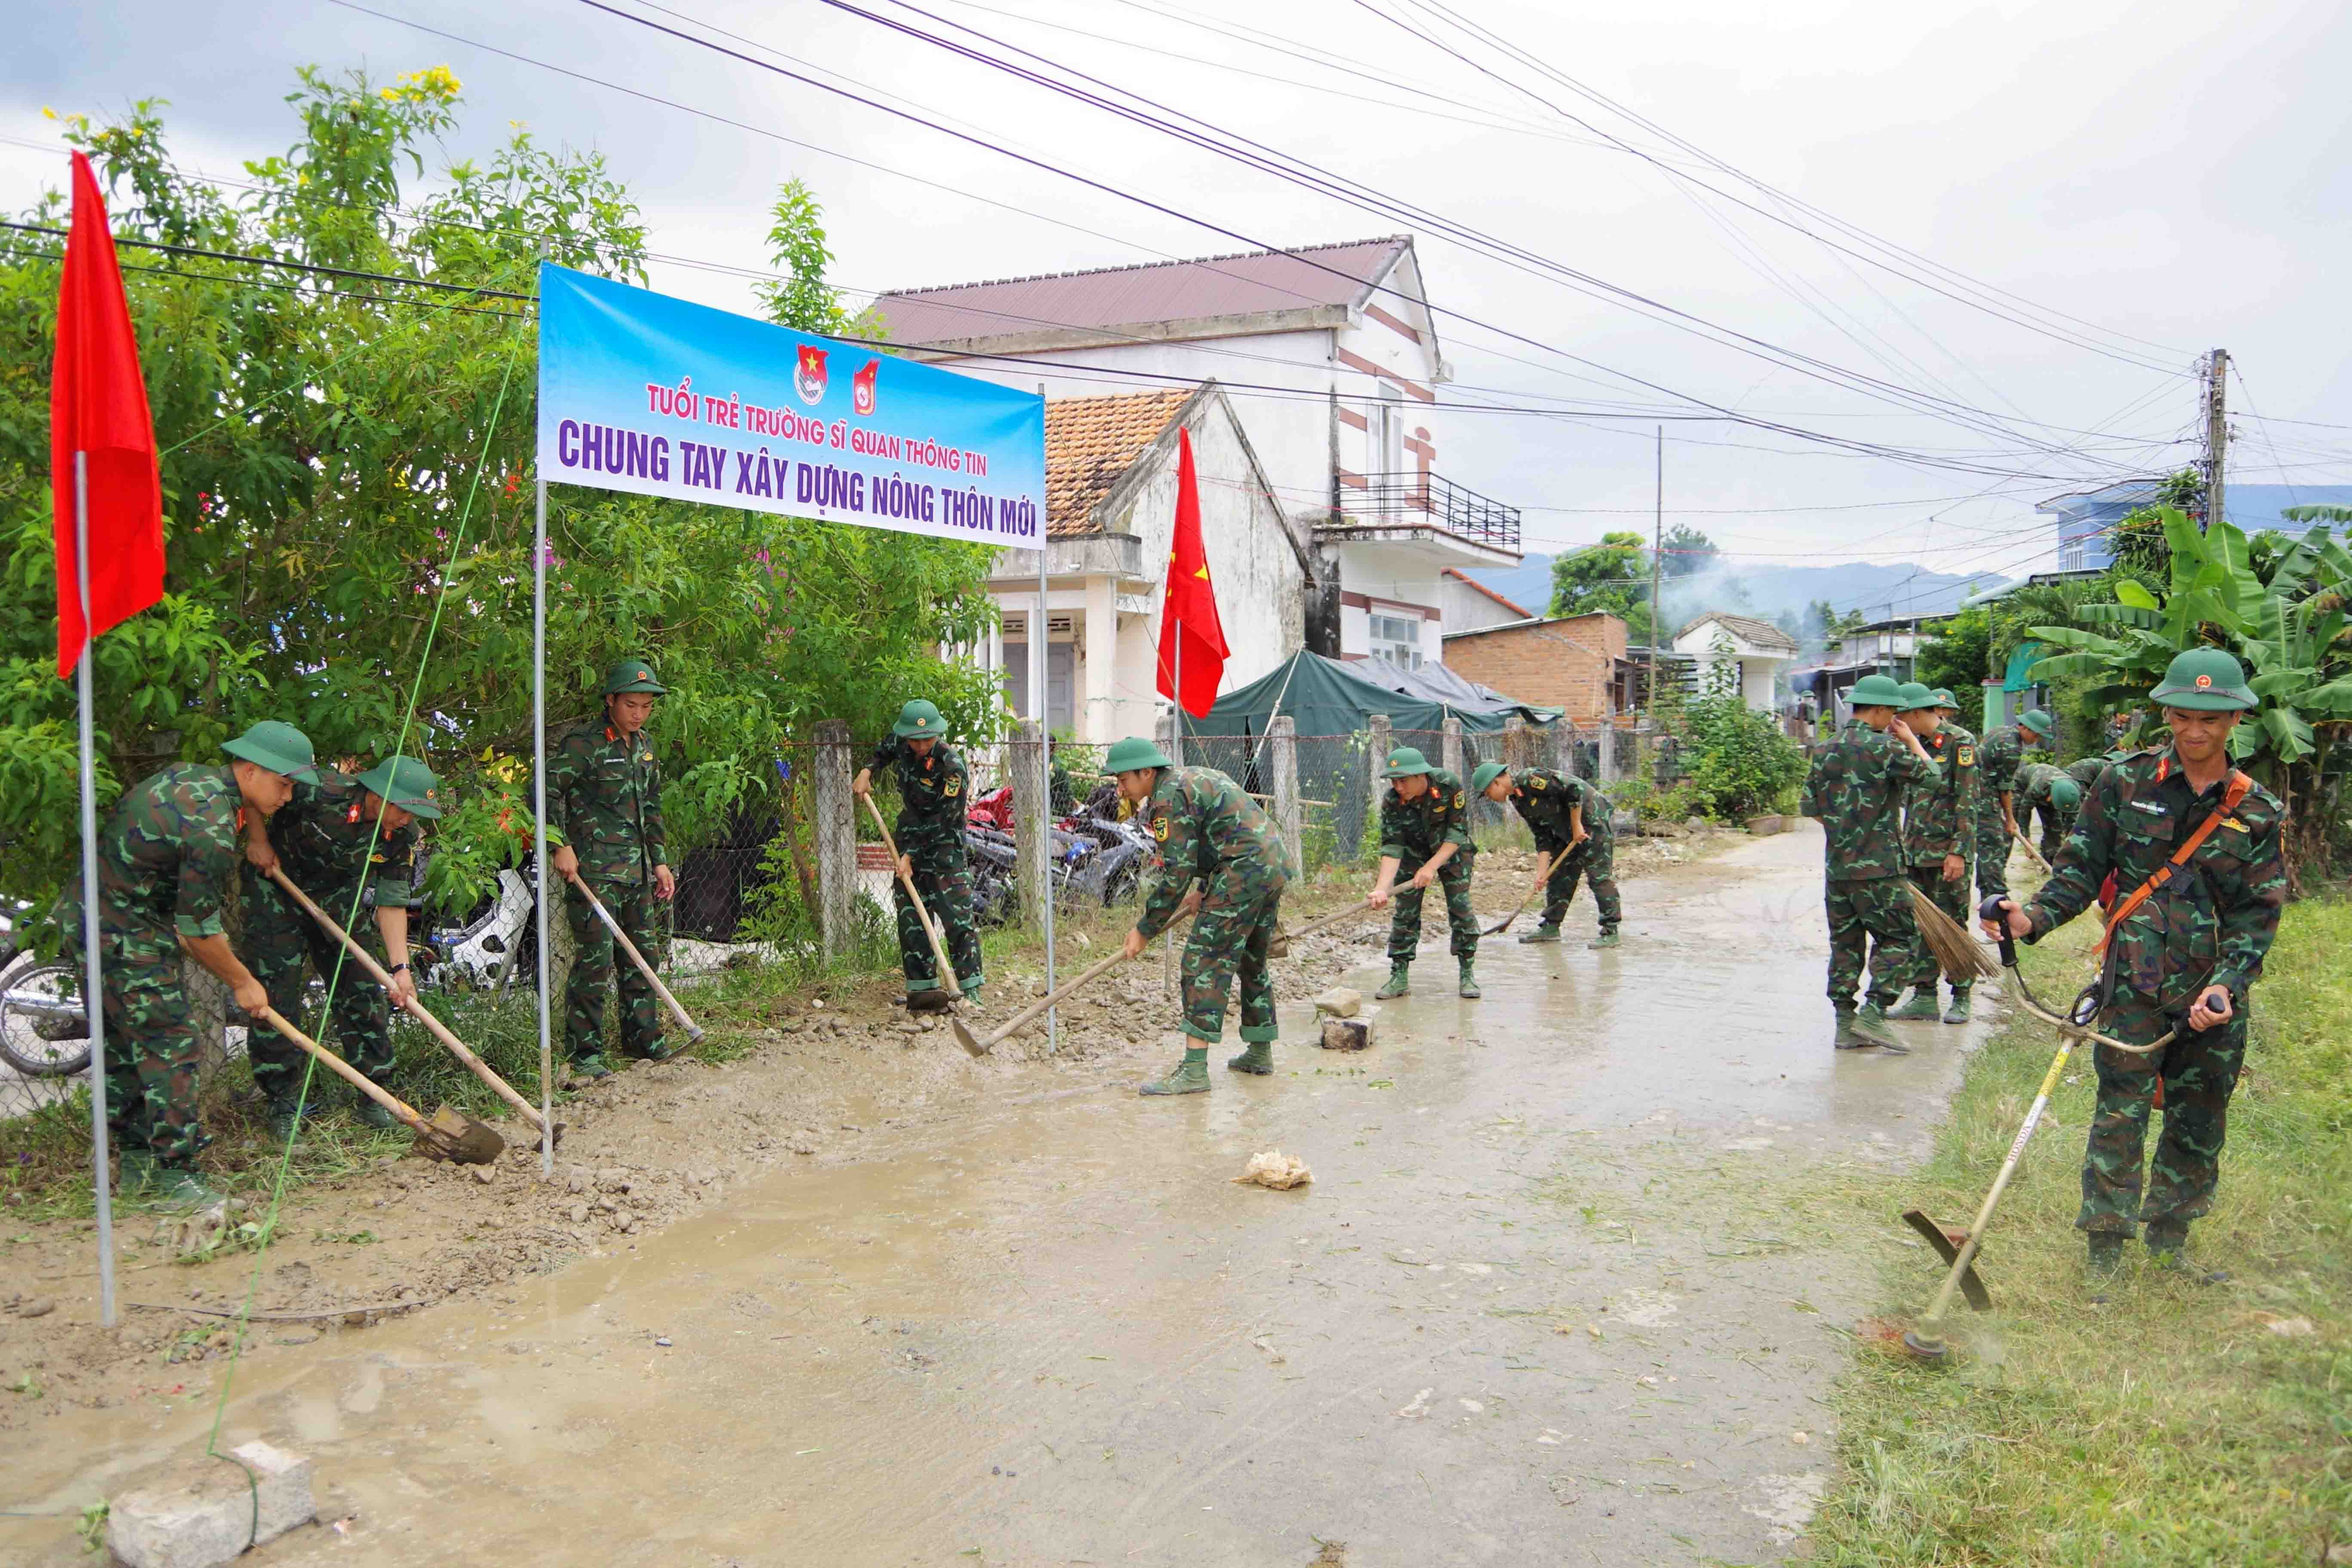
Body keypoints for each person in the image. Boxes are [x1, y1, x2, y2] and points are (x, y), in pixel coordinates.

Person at [1984, 650, 2285, 1280]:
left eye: (2211, 718)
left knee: (2199, 1118)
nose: (2195, 731)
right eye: (2183, 715)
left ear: (2235, 721)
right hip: (2134, 984)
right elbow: (2078, 869)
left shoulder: (2258, 812)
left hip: (2213, 994)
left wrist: (2229, 986)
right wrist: (2030, 920)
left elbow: (2259, 914)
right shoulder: (2124, 783)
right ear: (2166, 714)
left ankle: (2170, 1242)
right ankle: (2106, 1249)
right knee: (2119, 1112)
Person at [74, 722, 322, 1206]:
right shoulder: (209, 825)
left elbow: (247, 805)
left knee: (127, 1047)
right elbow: (197, 934)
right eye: (285, 784)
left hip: (92, 920)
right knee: (172, 1045)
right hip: (126, 932)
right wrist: (244, 982)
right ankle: (177, 1177)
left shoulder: (196, 781)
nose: (289, 797)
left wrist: (257, 834)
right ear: (251, 771)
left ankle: (138, 1168)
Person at [240, 755, 444, 1136]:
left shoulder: (399, 836)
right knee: (277, 997)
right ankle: (283, 1101)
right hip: (276, 893)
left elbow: (392, 900)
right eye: (405, 809)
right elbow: (254, 793)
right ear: (382, 796)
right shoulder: (319, 790)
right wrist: (258, 839)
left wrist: (400, 971)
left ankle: (375, 1097)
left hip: (336, 902)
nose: (408, 820)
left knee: (364, 989)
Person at [1105, 737, 1289, 1096]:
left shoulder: (1166, 799)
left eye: (1124, 779)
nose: (1120, 787)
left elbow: (1177, 871)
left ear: (1147, 772)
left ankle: (1193, 1072)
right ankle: (1260, 1049)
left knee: (1202, 963)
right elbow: (1218, 832)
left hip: (1242, 872)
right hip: (1270, 864)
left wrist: (1145, 929)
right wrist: (1205, 889)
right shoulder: (1187, 779)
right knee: (1251, 959)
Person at [548, 658, 678, 1079]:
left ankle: (643, 1038)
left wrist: (659, 861)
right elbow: (544, 793)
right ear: (611, 701)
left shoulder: (646, 747)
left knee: (643, 958)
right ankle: (585, 1053)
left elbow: (653, 809)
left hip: (637, 874)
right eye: (631, 706)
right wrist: (559, 844)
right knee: (597, 961)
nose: (639, 714)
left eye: (646, 706)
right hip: (595, 874)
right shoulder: (584, 745)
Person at [1798, 673, 1940, 1051]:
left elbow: (1810, 809)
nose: (1894, 719)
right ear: (1878, 710)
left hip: (1838, 869)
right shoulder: (1885, 749)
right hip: (1880, 869)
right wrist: (1911, 740)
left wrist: (1846, 827)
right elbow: (1933, 778)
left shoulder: (1824, 749)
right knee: (1900, 937)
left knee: (1845, 945)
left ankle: (1845, 1025)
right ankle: (1875, 1013)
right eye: (1892, 713)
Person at [853, 699, 982, 1011]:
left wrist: (911, 855)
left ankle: (970, 990)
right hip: (908, 837)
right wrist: (867, 770)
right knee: (912, 917)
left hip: (944, 848)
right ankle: (923, 991)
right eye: (915, 739)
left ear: (937, 734)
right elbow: (885, 748)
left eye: (928, 738)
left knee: (956, 919)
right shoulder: (904, 744)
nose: (921, 744)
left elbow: (944, 819)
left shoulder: (952, 768)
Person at [1890, 683, 1978, 1023]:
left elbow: (1968, 801)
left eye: (1901, 716)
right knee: (1920, 925)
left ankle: (1962, 993)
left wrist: (1958, 852)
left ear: (1915, 713)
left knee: (1953, 922)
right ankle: (1924, 995)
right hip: (1914, 850)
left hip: (1947, 852)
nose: (1897, 722)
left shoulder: (1960, 742)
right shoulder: (1910, 745)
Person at [1367, 747, 1480, 999]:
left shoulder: (1449, 785)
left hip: (1452, 852)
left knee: (1460, 909)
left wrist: (1431, 867)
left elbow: (1457, 833)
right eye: (1394, 781)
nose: (1398, 787)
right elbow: (1392, 847)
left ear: (1421, 776)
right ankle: (1399, 975)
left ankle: (1467, 972)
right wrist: (1382, 888)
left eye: (1403, 780)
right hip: (1413, 852)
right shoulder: (1392, 802)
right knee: (1405, 913)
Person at [1470, 760, 1620, 949]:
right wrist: (1540, 873)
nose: (1489, 798)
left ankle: (1611, 930)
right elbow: (1542, 836)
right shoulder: (1518, 800)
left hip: (1591, 820)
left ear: (1496, 783)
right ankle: (1551, 926)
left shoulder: (1530, 778)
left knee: (1598, 876)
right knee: (1559, 876)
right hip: (1564, 829)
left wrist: (1576, 825)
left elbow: (1573, 791)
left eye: (1487, 793)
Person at [1973, 708, 2053, 899]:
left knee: (1987, 844)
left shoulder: (2000, 731)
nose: (2037, 740)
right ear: (2026, 728)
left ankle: (1987, 889)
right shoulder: (2011, 748)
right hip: (1984, 798)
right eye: (2036, 735)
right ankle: (1994, 894)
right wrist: (2010, 819)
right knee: (1992, 845)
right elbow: (2005, 788)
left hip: (1976, 792)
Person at [2011, 763, 2080, 864]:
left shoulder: (2072, 791)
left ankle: (2050, 863)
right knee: (2012, 820)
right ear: (2050, 798)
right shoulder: (2036, 789)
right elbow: (2024, 812)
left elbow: (2073, 819)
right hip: (2022, 784)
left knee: (2055, 829)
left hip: (2052, 789)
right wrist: (2027, 841)